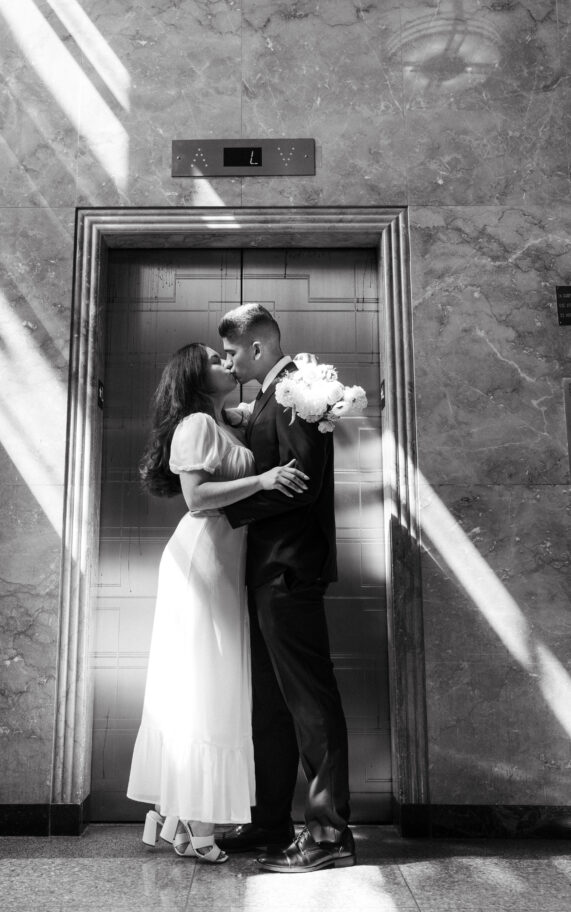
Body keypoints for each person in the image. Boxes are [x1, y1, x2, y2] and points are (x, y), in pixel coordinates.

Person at [127, 342, 308, 864]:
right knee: (204, 684)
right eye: (214, 359)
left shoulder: (220, 421)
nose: (226, 364)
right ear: (194, 376)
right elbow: (197, 497)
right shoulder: (195, 427)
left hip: (225, 563)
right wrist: (265, 479)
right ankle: (194, 822)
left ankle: (180, 815)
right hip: (201, 560)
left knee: (212, 683)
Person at [218, 304, 356, 874]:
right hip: (267, 570)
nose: (227, 362)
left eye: (230, 353)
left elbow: (301, 483)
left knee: (309, 702)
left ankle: (327, 834)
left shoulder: (300, 389)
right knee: (271, 706)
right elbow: (266, 444)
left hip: (291, 571)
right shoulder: (271, 397)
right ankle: (271, 822)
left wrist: (222, 510)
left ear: (256, 348)